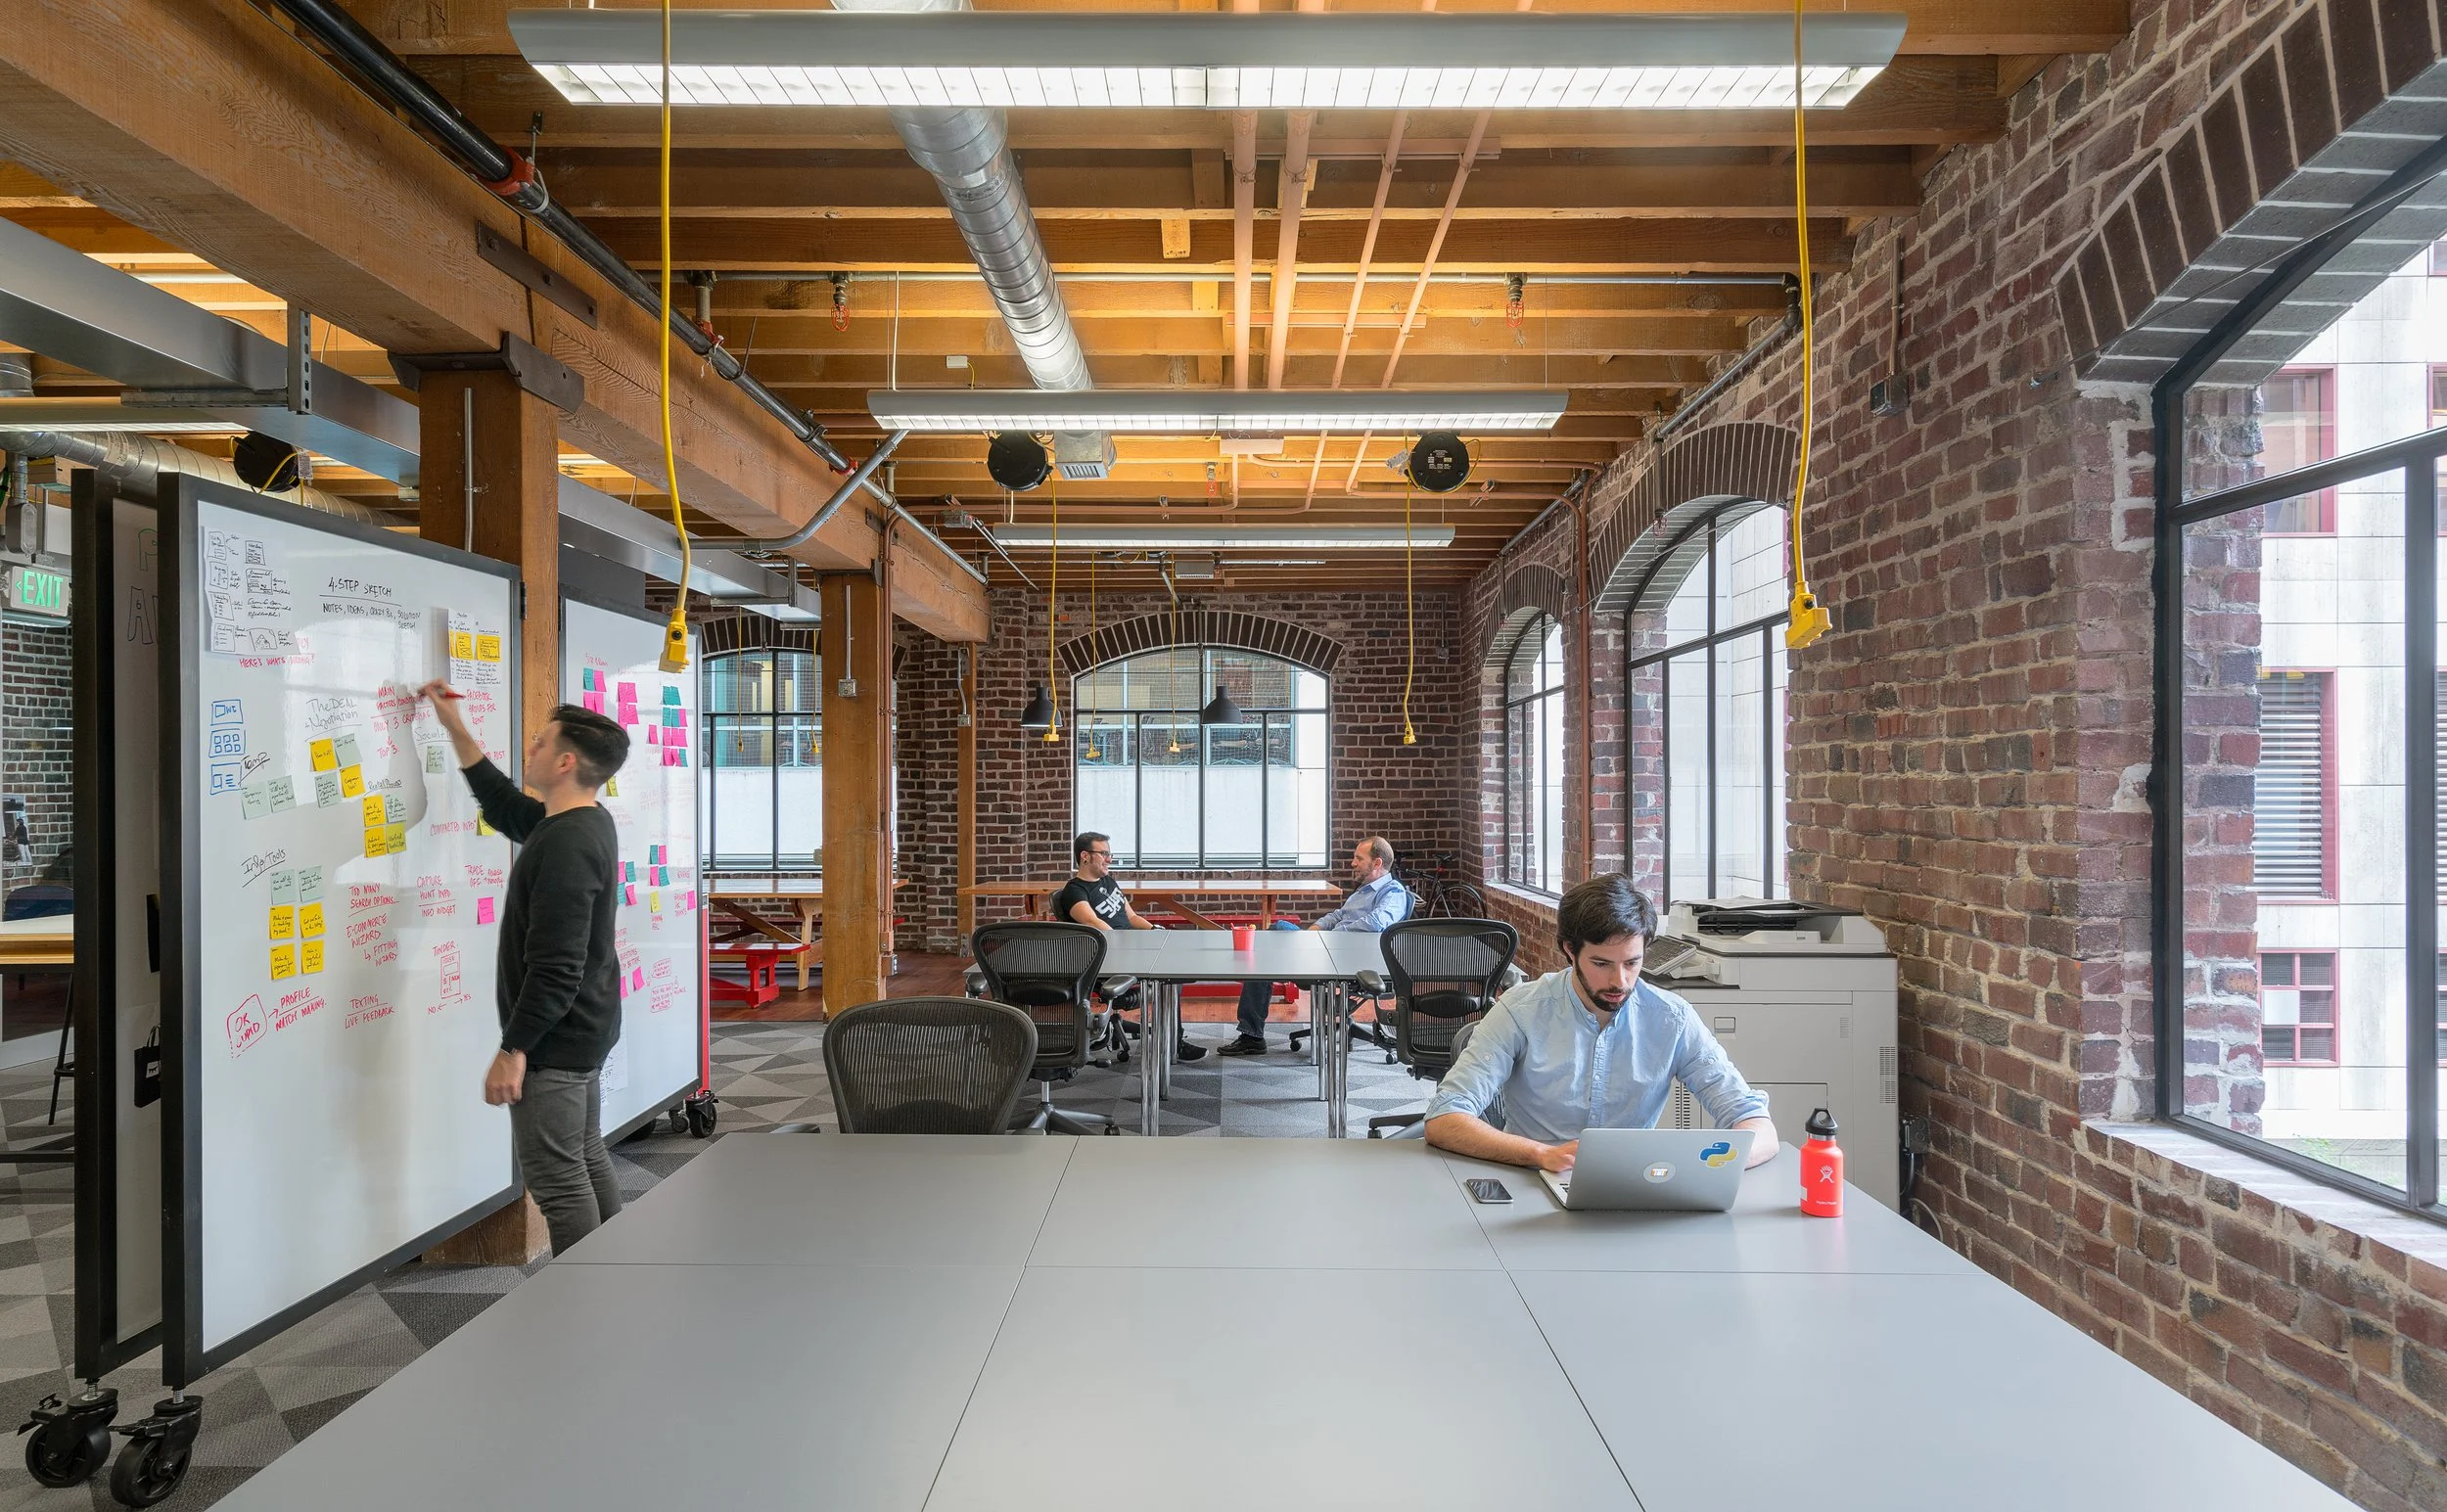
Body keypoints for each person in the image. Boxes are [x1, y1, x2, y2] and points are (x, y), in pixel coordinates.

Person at [418, 680, 631, 1255]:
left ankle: (586, 1312)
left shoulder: (566, 844)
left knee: (559, 1182)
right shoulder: (578, 821)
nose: (528, 750)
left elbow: (556, 967)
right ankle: (621, 1280)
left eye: (539, 743)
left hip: (556, 1036)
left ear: (565, 762)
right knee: (583, 1158)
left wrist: (514, 1049)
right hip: (584, 1025)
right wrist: (454, 727)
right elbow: (504, 804)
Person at [1423, 873, 1778, 1173]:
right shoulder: (1522, 1010)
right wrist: (1540, 1154)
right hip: (1533, 1179)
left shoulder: (1672, 1018)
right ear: (1569, 950)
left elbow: (1755, 1123)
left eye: (1631, 963)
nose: (1620, 981)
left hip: (1636, 1187)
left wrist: (1700, 1168)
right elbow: (1444, 1118)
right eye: (1602, 963)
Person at [1217, 835, 1408, 1057]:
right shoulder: (1364, 890)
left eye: (1359, 858)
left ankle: (1252, 1036)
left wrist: (1331, 937)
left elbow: (1377, 922)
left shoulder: (1393, 892)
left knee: (1276, 932)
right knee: (1265, 952)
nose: (1352, 863)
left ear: (1377, 863)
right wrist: (1316, 931)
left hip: (1349, 959)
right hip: (1329, 950)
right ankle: (1251, 1034)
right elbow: (1338, 915)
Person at [1048, 831, 1205, 1060]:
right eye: (1104, 854)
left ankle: (1171, 1038)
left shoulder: (1108, 881)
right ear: (1085, 856)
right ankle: (1175, 1043)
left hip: (1132, 949)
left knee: (1177, 969)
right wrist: (1134, 948)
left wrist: (1154, 931)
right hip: (1111, 962)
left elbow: (1131, 917)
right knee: (1171, 980)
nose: (1109, 859)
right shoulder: (1075, 892)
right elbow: (1097, 925)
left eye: (1109, 854)